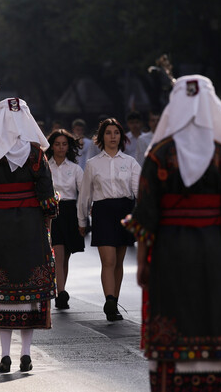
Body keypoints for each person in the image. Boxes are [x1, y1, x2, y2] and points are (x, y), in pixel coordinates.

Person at [123, 75, 221, 392]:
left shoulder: (158, 155)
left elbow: (146, 218)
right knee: (215, 316)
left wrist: (142, 263)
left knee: (173, 316)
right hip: (215, 252)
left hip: (169, 251)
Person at [0, 97, 58, 373]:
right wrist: (48, 233)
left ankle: (5, 355)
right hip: (31, 226)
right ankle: (26, 354)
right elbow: (47, 199)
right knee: (29, 294)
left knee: (2, 293)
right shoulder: (36, 154)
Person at [77, 118, 141, 321]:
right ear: (101, 137)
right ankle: (109, 300)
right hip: (102, 211)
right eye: (108, 132)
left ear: (121, 136)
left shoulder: (130, 162)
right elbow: (85, 194)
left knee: (119, 262)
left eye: (116, 132)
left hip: (125, 211)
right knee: (108, 260)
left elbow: (139, 190)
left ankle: (114, 303)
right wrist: (82, 220)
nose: (113, 136)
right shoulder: (92, 164)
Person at [46, 129, 84, 309]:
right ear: (51, 146)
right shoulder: (46, 167)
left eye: (64, 144)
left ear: (68, 146)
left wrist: (84, 217)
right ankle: (61, 293)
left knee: (65, 256)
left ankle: (61, 290)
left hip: (70, 212)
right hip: (52, 212)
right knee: (58, 254)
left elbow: (83, 192)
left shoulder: (75, 169)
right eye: (57, 144)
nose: (61, 148)